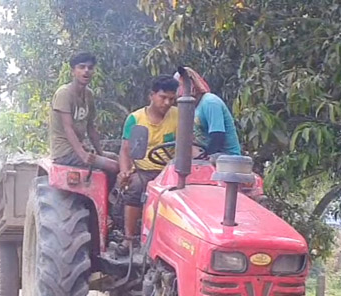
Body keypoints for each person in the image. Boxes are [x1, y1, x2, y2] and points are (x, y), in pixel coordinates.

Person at [118, 75, 180, 251]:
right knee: (135, 186)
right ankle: (129, 238)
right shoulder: (135, 119)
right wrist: (124, 171)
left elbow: (188, 144)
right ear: (151, 96)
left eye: (171, 98)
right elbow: (125, 150)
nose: (167, 102)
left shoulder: (179, 115)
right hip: (143, 170)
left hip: (170, 172)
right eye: (163, 97)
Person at [49, 52, 120, 178]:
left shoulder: (89, 94)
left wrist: (100, 152)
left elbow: (91, 128)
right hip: (65, 152)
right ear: (73, 71)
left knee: (116, 158)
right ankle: (109, 197)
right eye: (81, 67)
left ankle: (115, 195)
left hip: (80, 149)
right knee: (113, 166)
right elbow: (68, 128)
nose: (86, 71)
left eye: (90, 68)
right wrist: (83, 155)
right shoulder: (64, 94)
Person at [174, 66, 241, 158]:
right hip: (204, 154)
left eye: (180, 87)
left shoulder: (210, 102)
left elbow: (218, 137)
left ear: (192, 85)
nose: (178, 93)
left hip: (225, 158)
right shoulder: (191, 108)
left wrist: (205, 158)